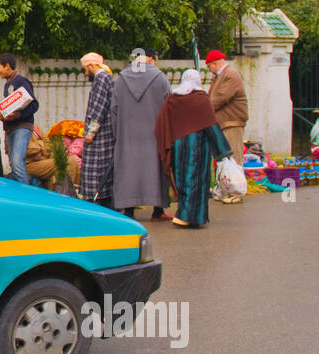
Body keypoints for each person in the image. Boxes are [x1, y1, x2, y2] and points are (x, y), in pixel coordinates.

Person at [155, 69, 232, 228]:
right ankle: (190, 217)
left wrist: (167, 143)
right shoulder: (201, 99)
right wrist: (223, 151)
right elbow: (211, 125)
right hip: (197, 147)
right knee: (197, 181)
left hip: (177, 146)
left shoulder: (173, 99)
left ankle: (183, 213)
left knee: (182, 180)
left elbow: (162, 123)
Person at [112, 49, 172, 220]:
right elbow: (170, 105)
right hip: (154, 136)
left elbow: (114, 109)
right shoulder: (159, 78)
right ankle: (158, 210)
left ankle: (129, 210)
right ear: (151, 59)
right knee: (155, 170)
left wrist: (118, 134)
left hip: (127, 136)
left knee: (128, 170)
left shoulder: (122, 78)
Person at [79, 52, 116, 208]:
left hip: (100, 134)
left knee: (96, 170)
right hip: (107, 132)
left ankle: (97, 202)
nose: (85, 73)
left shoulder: (101, 79)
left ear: (90, 66)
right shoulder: (108, 77)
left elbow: (98, 106)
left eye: (85, 69)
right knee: (105, 170)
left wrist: (91, 132)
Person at [0, 53, 38, 185]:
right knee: (14, 164)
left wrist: (18, 116)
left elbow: (34, 105)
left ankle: (27, 198)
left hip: (22, 127)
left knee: (17, 162)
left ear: (7, 66)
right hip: (11, 128)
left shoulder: (21, 81)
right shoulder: (8, 84)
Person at [205, 50, 248, 161]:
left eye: (209, 67)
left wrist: (203, 111)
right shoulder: (220, 76)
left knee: (234, 158)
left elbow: (219, 99)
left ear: (214, 64)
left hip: (231, 123)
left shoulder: (230, 74)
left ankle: (236, 179)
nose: (209, 70)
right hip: (225, 123)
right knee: (227, 159)